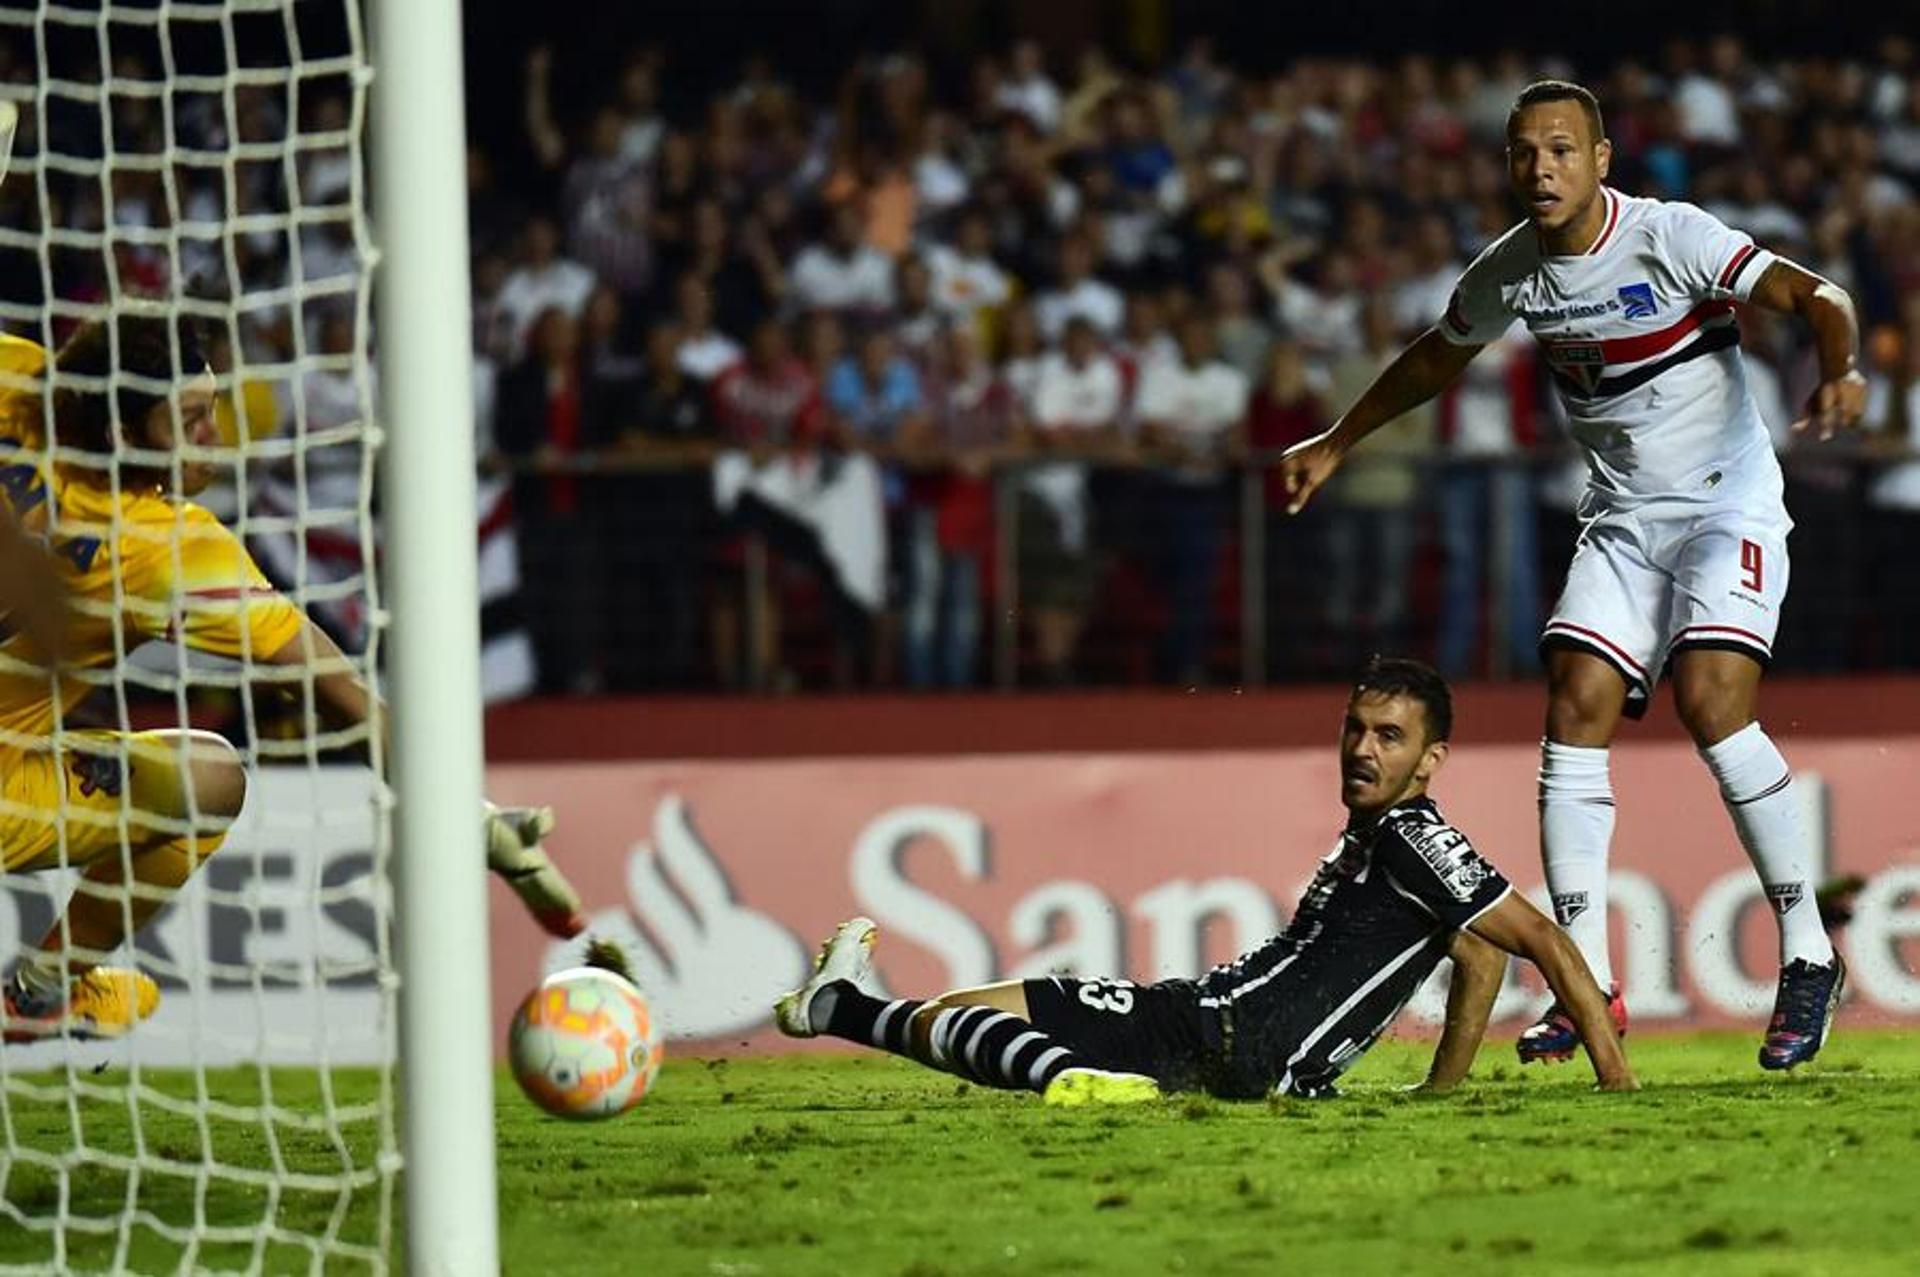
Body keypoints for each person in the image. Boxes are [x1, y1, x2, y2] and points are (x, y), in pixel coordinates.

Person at [1276, 80, 1864, 1071]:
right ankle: (1586, 976)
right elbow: (1435, 356)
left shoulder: (1670, 235)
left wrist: (1839, 365)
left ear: (1601, 162)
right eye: (1523, 154)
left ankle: (1808, 952)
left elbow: (1819, 295)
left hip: (1728, 501)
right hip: (1624, 518)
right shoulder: (1515, 270)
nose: (1540, 169)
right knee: (1576, 698)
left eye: (1560, 150)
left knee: (1712, 698)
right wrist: (1340, 439)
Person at [0, 315, 584, 1041]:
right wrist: (461, 809)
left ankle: (41, 991)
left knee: (209, 775)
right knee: (213, 784)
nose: (216, 432)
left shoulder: (15, 373)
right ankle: (38, 988)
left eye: (213, 405)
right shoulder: (165, 552)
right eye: (189, 419)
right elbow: (340, 694)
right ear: (123, 436)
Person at [775, 657, 1636, 1103]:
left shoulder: (1415, 836)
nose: (1363, 749)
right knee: (960, 1014)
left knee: (972, 1022)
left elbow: (1543, 942)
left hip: (1224, 1033)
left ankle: (1023, 1065)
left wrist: (1616, 1083)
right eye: (1355, 729)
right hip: (1223, 1032)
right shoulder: (1392, 844)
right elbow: (1481, 958)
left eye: (1388, 736)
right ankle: (837, 1007)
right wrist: (1438, 1090)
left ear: (1429, 759)